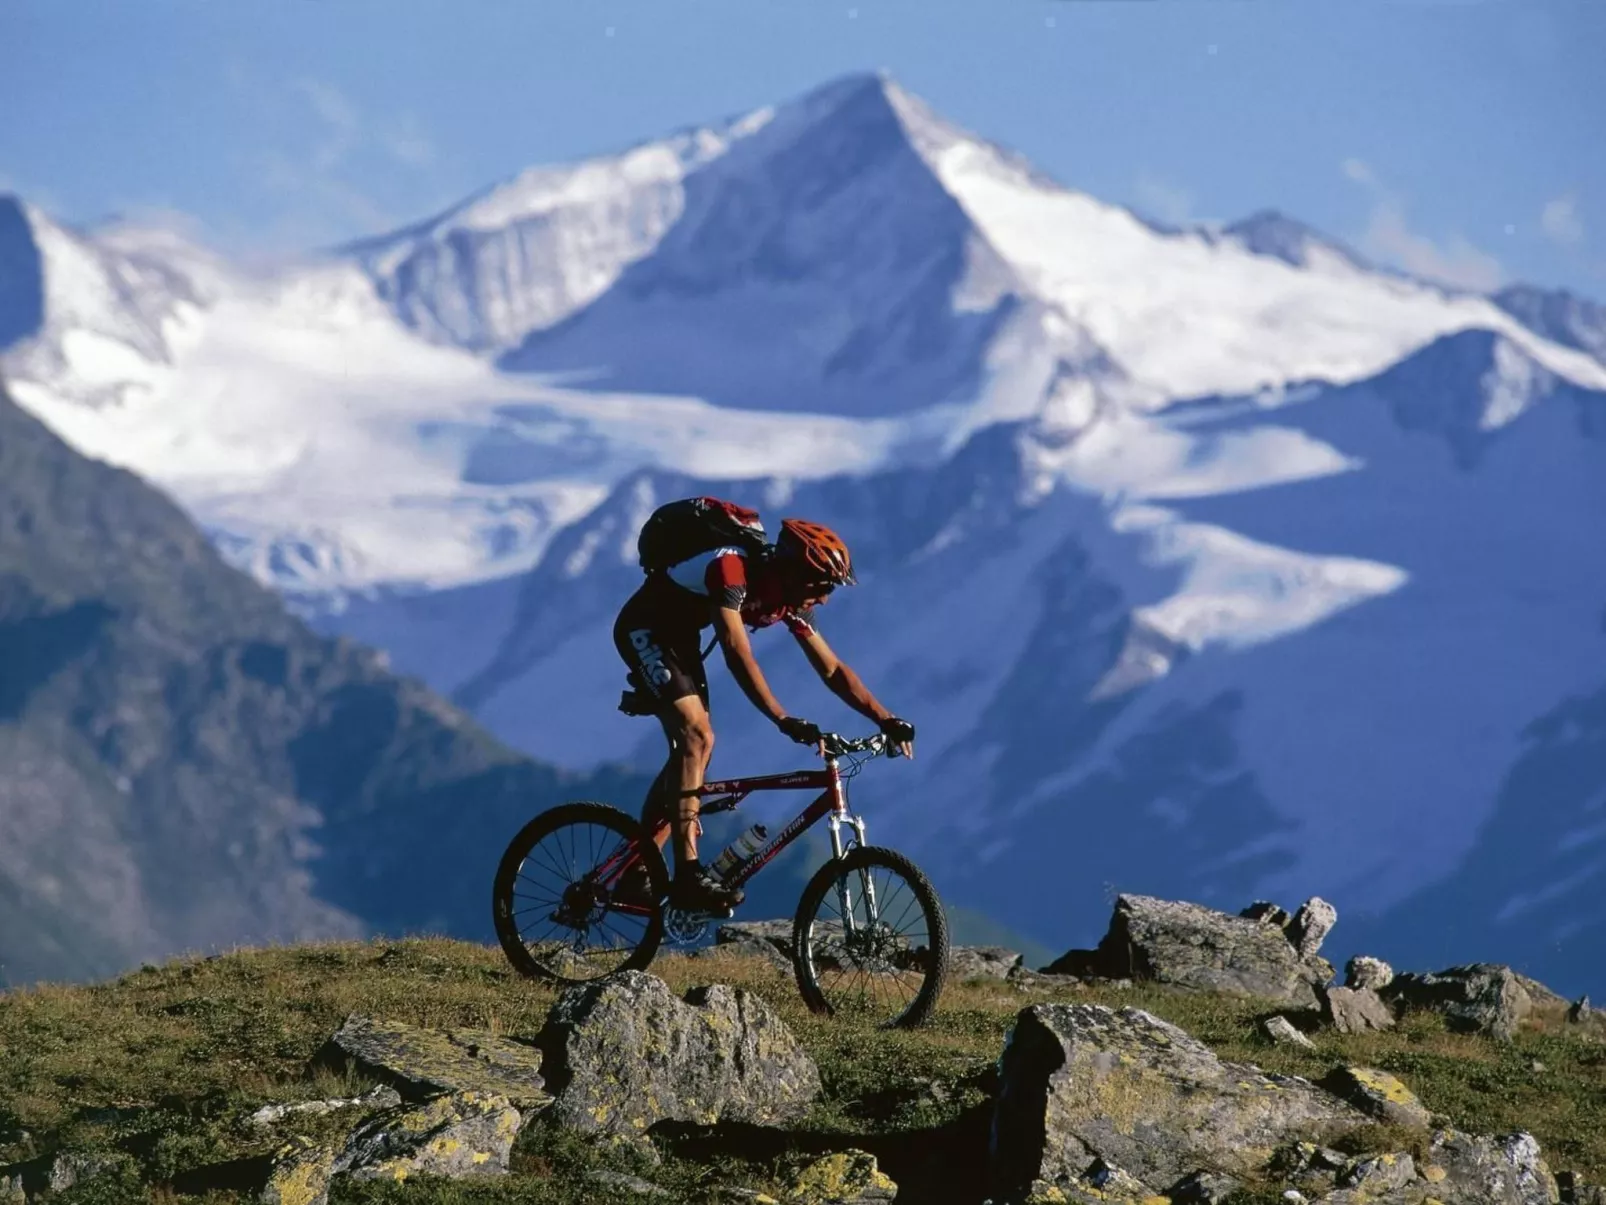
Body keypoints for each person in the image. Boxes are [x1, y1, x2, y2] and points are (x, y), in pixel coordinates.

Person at [612, 516, 916, 913]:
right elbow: (736, 651)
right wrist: (781, 718)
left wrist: (885, 719)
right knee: (697, 737)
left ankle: (638, 865)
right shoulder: (730, 568)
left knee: (694, 753)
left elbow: (832, 669)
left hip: (680, 638)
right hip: (646, 629)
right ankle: (687, 876)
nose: (825, 598)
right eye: (822, 585)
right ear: (794, 570)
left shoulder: (791, 598)